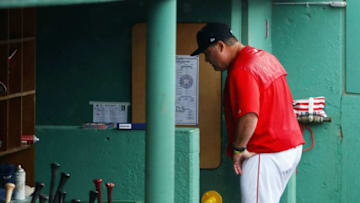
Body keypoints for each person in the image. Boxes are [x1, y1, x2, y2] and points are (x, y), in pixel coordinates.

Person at [191, 23, 305, 203]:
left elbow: (249, 116)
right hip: (289, 148)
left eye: (207, 53)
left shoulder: (242, 69)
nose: (207, 60)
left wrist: (238, 148)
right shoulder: (266, 58)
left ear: (220, 46)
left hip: (264, 152)